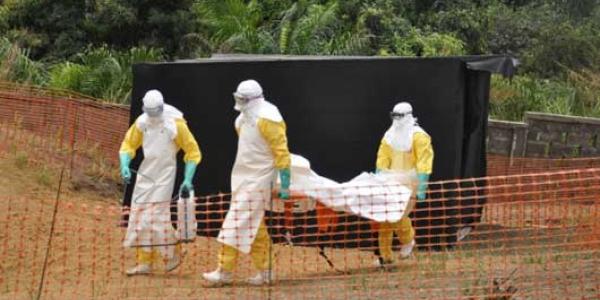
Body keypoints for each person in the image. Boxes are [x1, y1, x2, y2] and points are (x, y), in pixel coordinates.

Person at [202, 79, 291, 285]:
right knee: (254, 225)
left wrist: (284, 183)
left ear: (253, 99)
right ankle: (266, 272)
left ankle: (224, 271)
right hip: (242, 178)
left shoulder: (269, 119)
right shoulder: (241, 119)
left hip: (260, 180)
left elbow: (281, 152)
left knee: (234, 222)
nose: (239, 102)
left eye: (243, 99)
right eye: (238, 98)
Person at [119, 89, 201, 276]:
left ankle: (173, 252)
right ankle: (144, 261)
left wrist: (188, 179)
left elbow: (193, 152)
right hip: (145, 174)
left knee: (155, 216)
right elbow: (128, 145)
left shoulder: (175, 124)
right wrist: (124, 164)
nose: (153, 116)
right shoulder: (142, 122)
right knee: (139, 217)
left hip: (165, 174)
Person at [374, 101, 433, 265]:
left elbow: (424, 162)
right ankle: (385, 256)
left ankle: (408, 239)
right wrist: (379, 177)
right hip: (391, 181)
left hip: (410, 183)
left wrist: (421, 186)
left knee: (398, 216)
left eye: (400, 116)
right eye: (394, 116)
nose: (397, 120)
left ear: (408, 116)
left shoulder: (419, 137)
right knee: (385, 218)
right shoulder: (389, 135)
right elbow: (382, 157)